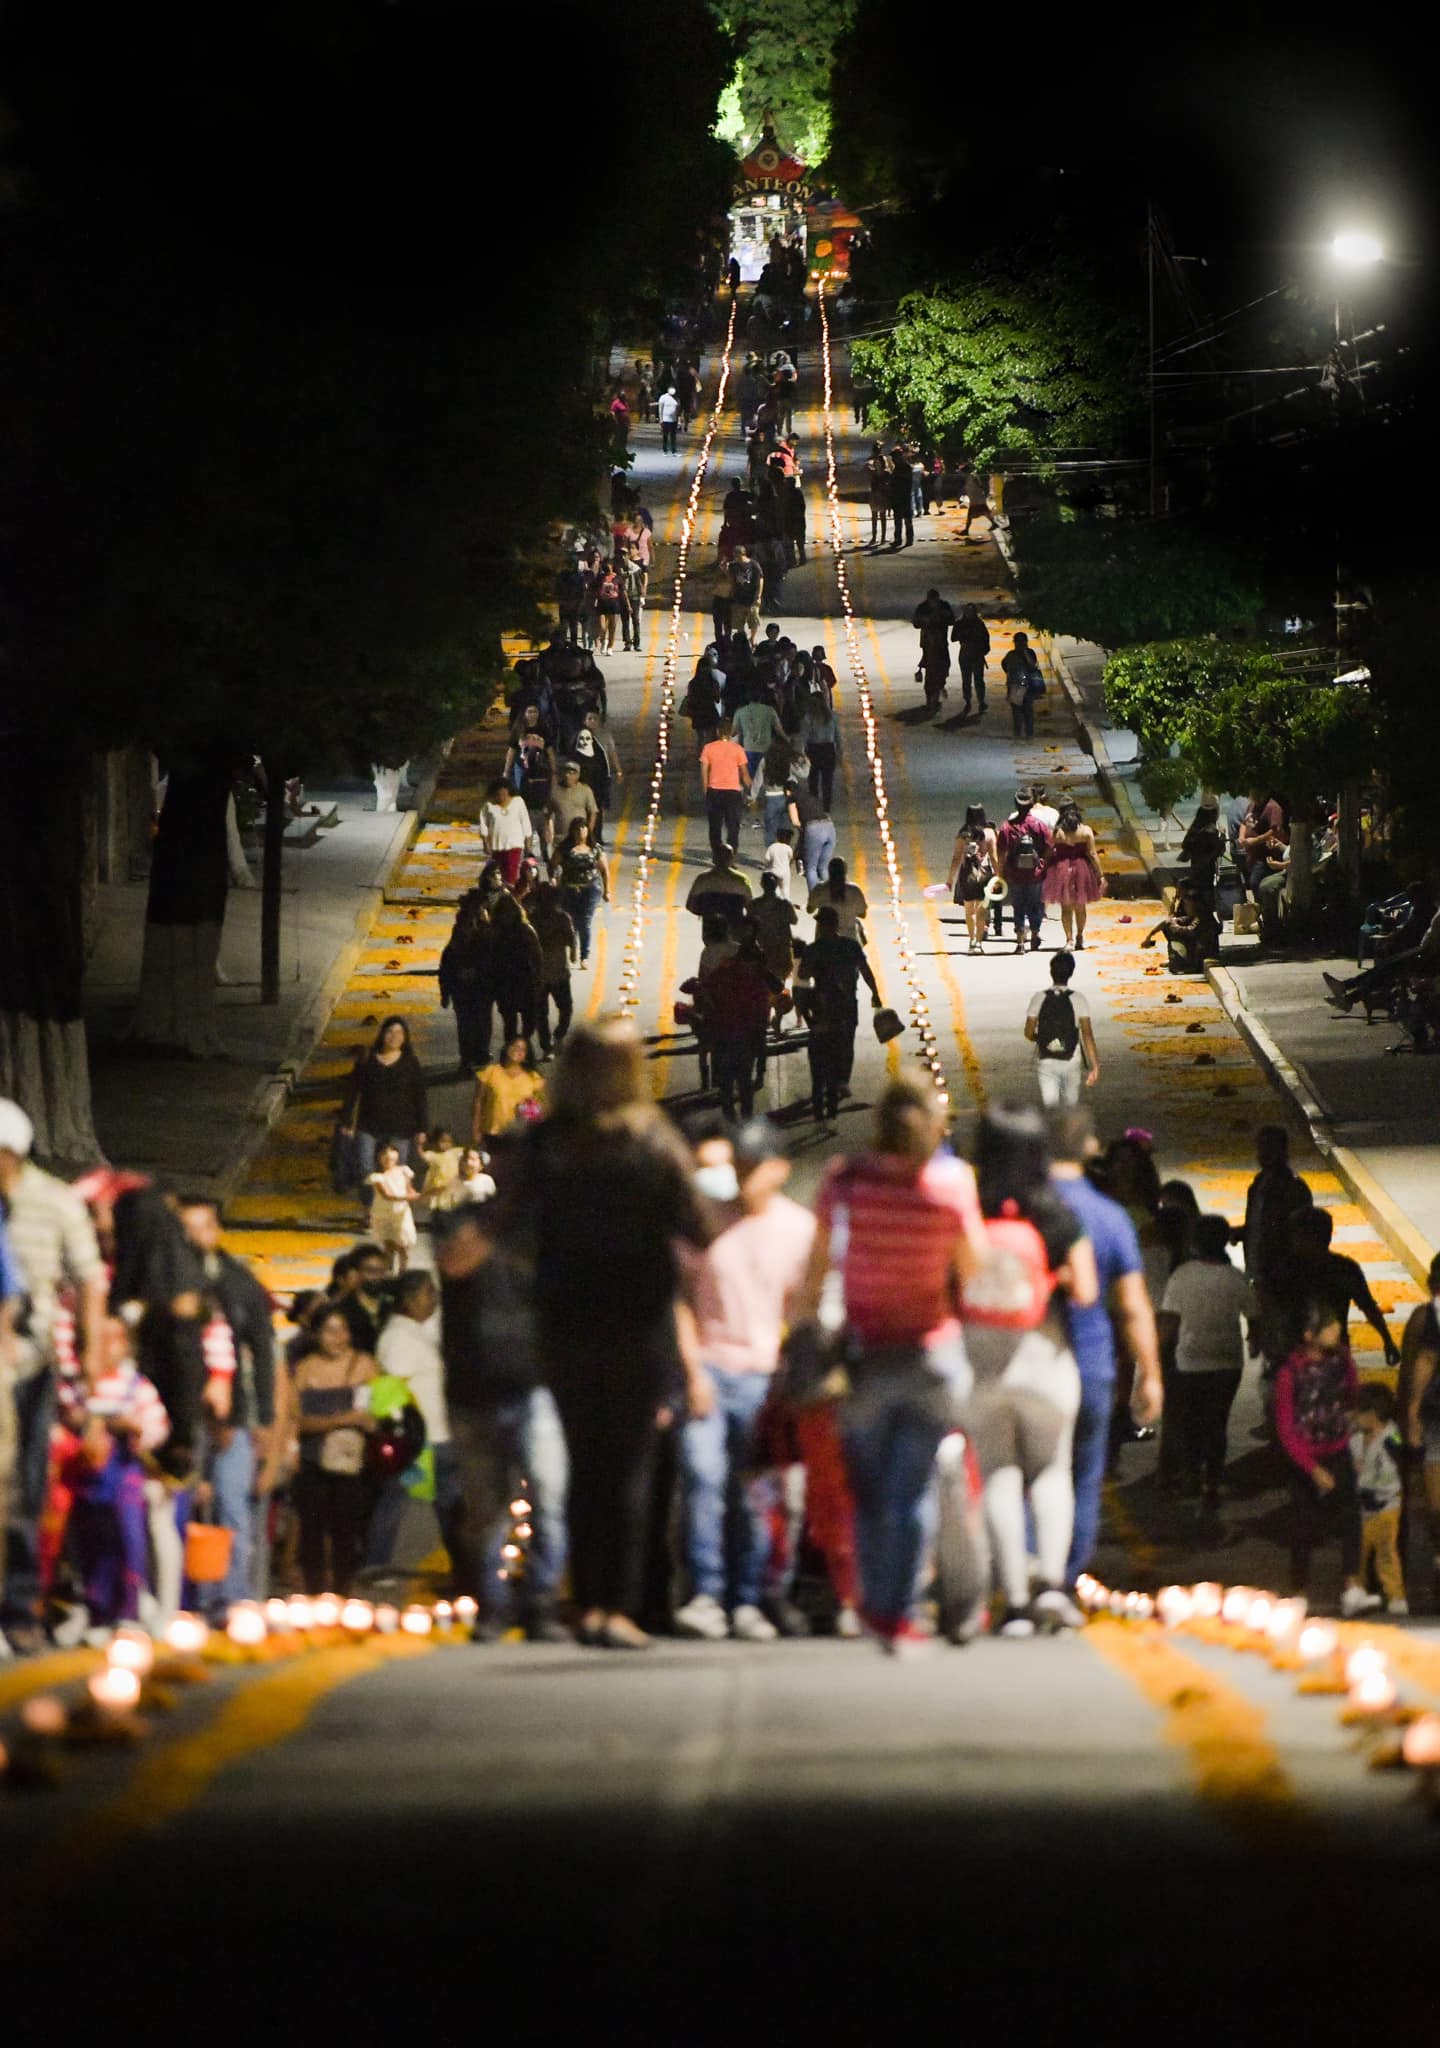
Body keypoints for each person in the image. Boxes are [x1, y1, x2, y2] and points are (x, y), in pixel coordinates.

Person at [502, 1020, 713, 1649]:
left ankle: (590, 1600)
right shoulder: (651, 1141)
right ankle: (615, 1606)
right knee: (625, 1467)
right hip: (638, 1320)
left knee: (583, 1461)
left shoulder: (545, 1143)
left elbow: (510, 1232)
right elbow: (700, 1229)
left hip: (565, 1322)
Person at [789, 1073, 988, 1653]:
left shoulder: (845, 1179)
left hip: (865, 1354)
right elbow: (972, 1267)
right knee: (912, 1488)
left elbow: (817, 1267)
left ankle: (875, 1602)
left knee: (871, 1491)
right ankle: (897, 1610)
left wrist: (810, 1329)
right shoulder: (951, 1184)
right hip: (931, 1352)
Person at [675, 1121, 816, 1643]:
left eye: (755, 1167)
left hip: (766, 1379)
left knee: (758, 1498)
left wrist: (793, 1378)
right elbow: (682, 1302)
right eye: (740, 1167)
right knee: (704, 1479)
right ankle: (707, 1595)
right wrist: (691, 1371)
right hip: (710, 1368)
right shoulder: (704, 1222)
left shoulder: (799, 1231)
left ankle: (749, 1599)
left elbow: (807, 1308)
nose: (744, 1178)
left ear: (779, 1169)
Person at [431, 1203, 569, 1640]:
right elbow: (452, 1262)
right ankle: (493, 1606)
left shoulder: (530, 1248)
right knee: (486, 1511)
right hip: (473, 1400)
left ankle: (541, 1603)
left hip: (534, 1391)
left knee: (549, 1499)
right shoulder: (467, 1236)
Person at [0, 1101, 108, 1651]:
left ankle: (18, 1607)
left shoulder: (54, 1201)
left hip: (32, 1363)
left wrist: (89, 1357)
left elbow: (90, 1280)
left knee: (26, 1482)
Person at [1048, 1110, 1163, 1585]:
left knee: (1045, 1470)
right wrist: (1153, 1374)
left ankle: (1034, 1574)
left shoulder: (1031, 1207)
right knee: (1079, 1473)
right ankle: (1066, 1572)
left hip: (1046, 1357)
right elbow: (1132, 1304)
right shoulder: (1108, 1216)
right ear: (1089, 1151)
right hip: (1085, 1354)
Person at [178, 1196, 278, 1606]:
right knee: (185, 1507)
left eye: (203, 1226)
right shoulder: (169, 1277)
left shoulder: (238, 1282)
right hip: (179, 1413)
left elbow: (264, 1351)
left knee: (231, 1504)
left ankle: (231, 1598)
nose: (194, 1236)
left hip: (233, 1413)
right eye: (187, 1227)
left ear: (217, 1229)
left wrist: (266, 1416)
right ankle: (190, 1599)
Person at [1155, 1215, 1258, 1508]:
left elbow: (1170, 1321)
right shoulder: (1235, 1277)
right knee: (1217, 1424)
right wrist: (1255, 1342)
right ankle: (1212, 1483)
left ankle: (1190, 1475)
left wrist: (1158, 1353)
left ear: (1195, 1242)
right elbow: (1255, 1317)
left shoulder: (1182, 1276)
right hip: (1227, 1362)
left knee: (1189, 1421)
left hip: (1190, 1360)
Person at [1274, 1300, 1369, 1613]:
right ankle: (1299, 1589)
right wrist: (1312, 1469)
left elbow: (1353, 1401)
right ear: (1308, 1334)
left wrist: (1356, 1445)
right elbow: (1286, 1428)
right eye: (1329, 1327)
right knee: (1303, 1526)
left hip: (1339, 1450)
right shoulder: (1290, 1373)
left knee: (1352, 1519)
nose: (1337, 1331)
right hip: (1305, 1459)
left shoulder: (1342, 1362)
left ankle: (1352, 1586)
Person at [366, 1270, 463, 1575]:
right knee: (396, 1501)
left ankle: (462, 1569)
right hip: (420, 1442)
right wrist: (405, 1438)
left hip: (438, 1437)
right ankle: (376, 1566)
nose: (433, 1299)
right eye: (428, 1293)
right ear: (408, 1300)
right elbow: (390, 1391)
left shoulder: (414, 1332)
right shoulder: (398, 1337)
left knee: (451, 1506)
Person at [292, 1307, 377, 1596]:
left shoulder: (364, 1365)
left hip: (349, 1462)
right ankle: (315, 1591)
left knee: (346, 1529)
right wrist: (340, 1420)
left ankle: (343, 1591)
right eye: (330, 1330)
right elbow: (296, 1420)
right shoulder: (304, 1369)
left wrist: (365, 1421)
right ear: (317, 1334)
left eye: (343, 1330)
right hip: (311, 1460)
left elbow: (371, 1416)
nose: (338, 1337)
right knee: (312, 1530)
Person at [797, 905, 881, 1129]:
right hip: (847, 1002)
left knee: (822, 1054)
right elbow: (865, 970)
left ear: (823, 925)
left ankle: (823, 1101)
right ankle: (841, 1081)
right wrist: (875, 993)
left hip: (823, 1006)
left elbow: (803, 976)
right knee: (846, 1043)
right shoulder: (850, 945)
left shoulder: (814, 949)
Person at [1233, 1125, 1313, 1354]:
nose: (1263, 1155)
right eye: (1261, 1149)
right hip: (1259, 1268)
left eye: (1270, 1149)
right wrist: (1244, 1232)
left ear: (1283, 1151)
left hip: (1280, 1271)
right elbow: (1260, 1222)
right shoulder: (1259, 1183)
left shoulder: (1293, 1188)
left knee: (1283, 1329)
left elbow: (1301, 1231)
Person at [342, 1018, 429, 1179]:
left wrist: (422, 1128)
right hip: (369, 1125)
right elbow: (352, 1091)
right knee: (365, 1169)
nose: (394, 1036)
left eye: (399, 1032)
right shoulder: (367, 1060)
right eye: (390, 1031)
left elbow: (420, 1096)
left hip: (401, 1127)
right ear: (382, 1034)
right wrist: (347, 1121)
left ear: (405, 1037)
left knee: (397, 1172)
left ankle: (394, 1203)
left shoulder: (410, 1062)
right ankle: (370, 1202)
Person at [1350, 1383, 1407, 1616]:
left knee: (1386, 1554)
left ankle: (1396, 1596)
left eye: (1358, 1412)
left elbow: (1394, 1473)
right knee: (1356, 1556)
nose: (1354, 1416)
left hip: (1386, 1507)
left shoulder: (1391, 1440)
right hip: (1361, 1509)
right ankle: (1357, 1594)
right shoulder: (1356, 1438)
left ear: (1372, 1415)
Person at [1323, 902, 1440, 1015]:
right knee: (1388, 965)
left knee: (1390, 968)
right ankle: (1348, 991)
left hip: (1428, 958)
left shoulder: (1426, 911)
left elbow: (1425, 939)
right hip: (1424, 953)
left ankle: (1349, 994)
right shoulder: (1430, 910)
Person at [703, 942, 774, 1122]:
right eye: (746, 963)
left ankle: (745, 1118)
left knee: (744, 1081)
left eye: (753, 964)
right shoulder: (724, 974)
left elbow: (776, 988)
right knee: (727, 1083)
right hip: (726, 1035)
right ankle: (732, 1117)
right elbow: (707, 992)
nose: (749, 968)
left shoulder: (759, 978)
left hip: (746, 1037)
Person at [1023, 951, 1098, 1108]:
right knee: (1070, 1109)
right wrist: (1094, 1066)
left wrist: (1041, 1038)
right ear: (1071, 973)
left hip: (1046, 1058)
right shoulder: (1078, 999)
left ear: (1051, 972)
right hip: (1071, 1059)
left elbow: (1028, 1032)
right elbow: (1087, 1036)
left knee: (1051, 1108)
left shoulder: (1039, 997)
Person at [438, 894, 496, 1073]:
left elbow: (492, 963)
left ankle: (479, 1053)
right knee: (467, 1023)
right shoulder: (456, 944)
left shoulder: (483, 938)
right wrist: (446, 993)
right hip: (464, 990)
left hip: (480, 988)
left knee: (479, 1022)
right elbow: (446, 968)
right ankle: (469, 1056)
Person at [1043, 802, 1104, 949]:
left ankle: (1069, 939)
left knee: (1066, 907)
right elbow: (1092, 853)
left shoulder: (1058, 832)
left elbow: (1050, 852)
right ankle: (1080, 936)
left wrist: (1045, 865)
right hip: (1082, 870)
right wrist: (1100, 874)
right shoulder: (1086, 831)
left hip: (1062, 870)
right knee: (1080, 906)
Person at [998, 789, 1051, 952]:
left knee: (1018, 906)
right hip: (1035, 874)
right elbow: (1049, 847)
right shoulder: (1039, 826)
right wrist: (1043, 864)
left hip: (1015, 874)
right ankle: (1035, 935)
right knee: (1036, 905)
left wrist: (1001, 873)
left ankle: (1020, 941)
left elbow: (1001, 852)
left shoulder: (1007, 827)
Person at [530, 881, 578, 1058]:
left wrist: (573, 951)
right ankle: (546, 1045)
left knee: (566, 1008)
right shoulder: (532, 919)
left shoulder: (563, 918)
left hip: (559, 972)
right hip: (540, 974)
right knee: (541, 1013)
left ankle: (558, 1034)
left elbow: (571, 937)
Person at [554, 818, 609, 968]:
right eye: (577, 829)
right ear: (572, 832)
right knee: (571, 923)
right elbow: (553, 865)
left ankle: (584, 955)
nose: (580, 832)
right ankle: (573, 947)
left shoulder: (595, 848)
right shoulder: (565, 849)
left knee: (584, 922)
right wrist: (554, 879)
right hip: (569, 889)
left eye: (584, 828)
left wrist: (607, 891)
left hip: (590, 889)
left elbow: (604, 870)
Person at [472, 1037, 544, 1143]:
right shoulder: (490, 1072)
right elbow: (478, 1102)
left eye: (522, 1049)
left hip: (520, 1136)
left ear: (525, 1056)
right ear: (506, 1048)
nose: (517, 1050)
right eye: (514, 1046)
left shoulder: (533, 1077)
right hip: (492, 1134)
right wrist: (476, 1130)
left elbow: (542, 1106)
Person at [699, 717, 750, 862]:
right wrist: (749, 791)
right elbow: (744, 773)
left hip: (714, 791)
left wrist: (705, 789)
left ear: (717, 731)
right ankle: (731, 856)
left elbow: (704, 771)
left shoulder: (708, 748)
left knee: (715, 826)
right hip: (733, 793)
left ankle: (717, 855)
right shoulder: (738, 749)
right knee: (733, 827)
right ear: (731, 733)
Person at [1141, 883, 1221, 975]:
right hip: (1196, 944)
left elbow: (1191, 931)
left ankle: (1188, 963)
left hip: (1204, 950)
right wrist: (1150, 935)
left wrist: (1175, 927)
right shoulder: (1191, 914)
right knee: (1169, 927)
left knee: (1174, 932)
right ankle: (1179, 959)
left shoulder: (1202, 916)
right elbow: (1169, 921)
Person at [366, 1142, 419, 1273]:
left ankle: (402, 1274)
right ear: (378, 1158)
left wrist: (414, 1194)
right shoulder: (377, 1177)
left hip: (401, 1214)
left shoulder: (404, 1171)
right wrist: (407, 1197)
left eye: (392, 1157)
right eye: (385, 1156)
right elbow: (387, 1195)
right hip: (384, 1214)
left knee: (403, 1246)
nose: (388, 1160)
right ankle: (387, 1274)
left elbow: (409, 1189)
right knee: (389, 1247)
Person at [478, 779, 532, 888]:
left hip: (514, 846)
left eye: (504, 794)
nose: (501, 797)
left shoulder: (518, 802)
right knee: (497, 874)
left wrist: (528, 843)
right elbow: (483, 824)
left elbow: (525, 822)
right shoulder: (488, 806)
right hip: (496, 846)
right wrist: (485, 843)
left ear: (509, 792)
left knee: (511, 873)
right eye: (498, 794)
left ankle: (510, 897)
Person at [949, 829, 995, 953]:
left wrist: (950, 879)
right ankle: (979, 943)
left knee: (969, 911)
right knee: (981, 911)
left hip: (967, 874)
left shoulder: (963, 835)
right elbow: (994, 857)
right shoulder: (988, 834)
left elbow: (956, 858)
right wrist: (998, 876)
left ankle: (972, 940)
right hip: (983, 874)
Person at [806, 857, 868, 944]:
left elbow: (809, 910)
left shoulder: (820, 889)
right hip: (849, 940)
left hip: (824, 940)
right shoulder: (854, 890)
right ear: (845, 871)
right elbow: (863, 914)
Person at [798, 690, 842, 809]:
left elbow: (804, 736)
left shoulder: (808, 717)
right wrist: (840, 753)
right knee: (827, 780)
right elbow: (838, 737)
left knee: (813, 779)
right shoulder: (832, 716)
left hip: (813, 750)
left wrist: (801, 753)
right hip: (828, 749)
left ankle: (814, 805)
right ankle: (826, 806)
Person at [546, 760, 598, 860]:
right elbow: (547, 813)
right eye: (566, 772)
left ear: (578, 775)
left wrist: (588, 832)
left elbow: (593, 812)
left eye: (572, 773)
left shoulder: (585, 790)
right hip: (560, 838)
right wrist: (548, 832)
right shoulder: (555, 791)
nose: (567, 775)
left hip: (579, 838)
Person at [1002, 632, 1044, 740]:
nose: (1021, 644)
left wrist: (1025, 653)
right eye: (1019, 642)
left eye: (1023, 642)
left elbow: (1033, 666)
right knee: (1017, 710)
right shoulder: (1011, 655)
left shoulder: (1029, 653)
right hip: (1016, 686)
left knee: (1027, 710)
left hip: (1027, 686)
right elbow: (1006, 667)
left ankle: (1028, 733)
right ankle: (1019, 732)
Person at [951, 604, 990, 714]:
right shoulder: (960, 624)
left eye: (971, 611)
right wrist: (964, 635)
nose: (969, 614)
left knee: (979, 679)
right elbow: (953, 638)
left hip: (977, 654)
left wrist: (983, 651)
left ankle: (981, 701)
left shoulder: (979, 624)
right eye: (968, 611)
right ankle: (968, 700)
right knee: (966, 679)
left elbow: (986, 639)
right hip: (965, 653)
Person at [731, 546, 764, 642]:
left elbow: (760, 580)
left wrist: (758, 596)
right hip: (739, 598)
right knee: (739, 622)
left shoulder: (753, 565)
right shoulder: (734, 566)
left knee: (754, 621)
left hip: (752, 598)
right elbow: (731, 579)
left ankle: (752, 638)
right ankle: (742, 639)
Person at [887, 444, 914, 549]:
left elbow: (906, 483)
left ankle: (909, 539)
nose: (893, 460)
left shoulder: (905, 467)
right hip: (897, 497)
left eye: (894, 457)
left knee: (907, 520)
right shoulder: (897, 468)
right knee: (898, 520)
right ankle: (898, 539)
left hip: (904, 497)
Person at [762, 824, 796, 903]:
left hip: (774, 871)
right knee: (786, 889)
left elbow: (767, 859)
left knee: (776, 888)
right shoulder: (788, 848)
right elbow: (791, 858)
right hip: (785, 872)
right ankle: (787, 903)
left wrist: (767, 867)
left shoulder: (772, 847)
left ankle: (776, 902)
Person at [865, 443, 890, 547]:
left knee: (882, 516)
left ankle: (883, 537)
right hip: (875, 495)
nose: (877, 465)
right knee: (874, 516)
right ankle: (874, 537)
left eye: (879, 463)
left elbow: (889, 485)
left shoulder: (886, 474)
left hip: (882, 495)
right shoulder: (873, 473)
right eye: (876, 464)